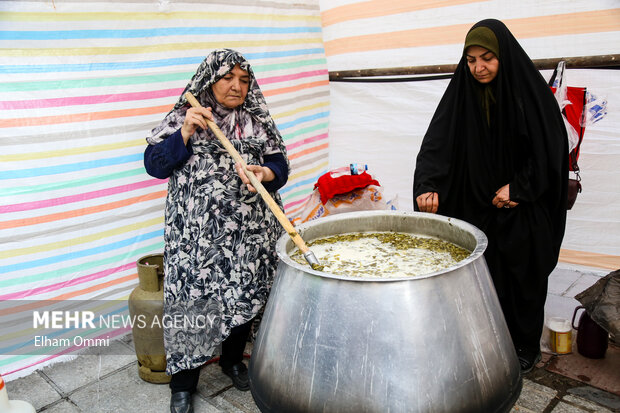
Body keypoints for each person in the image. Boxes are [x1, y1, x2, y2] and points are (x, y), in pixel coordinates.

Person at [413, 19, 568, 373]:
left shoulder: (529, 95)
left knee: (522, 280)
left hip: (522, 209)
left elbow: (550, 150)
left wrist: (520, 188)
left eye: (487, 58)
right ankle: (481, 342)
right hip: (477, 206)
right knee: (479, 280)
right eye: (471, 61)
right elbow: (437, 146)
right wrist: (427, 186)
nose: (478, 68)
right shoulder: (461, 95)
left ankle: (524, 347)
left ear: (503, 57)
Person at [144, 48, 289, 413]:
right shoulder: (184, 117)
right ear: (210, 79)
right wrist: (187, 131)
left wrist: (265, 174)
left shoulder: (255, 120)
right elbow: (154, 166)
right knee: (195, 299)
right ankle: (183, 382)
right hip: (197, 238)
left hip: (249, 234)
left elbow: (280, 164)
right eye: (228, 78)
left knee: (244, 293)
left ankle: (231, 361)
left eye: (244, 80)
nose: (237, 87)